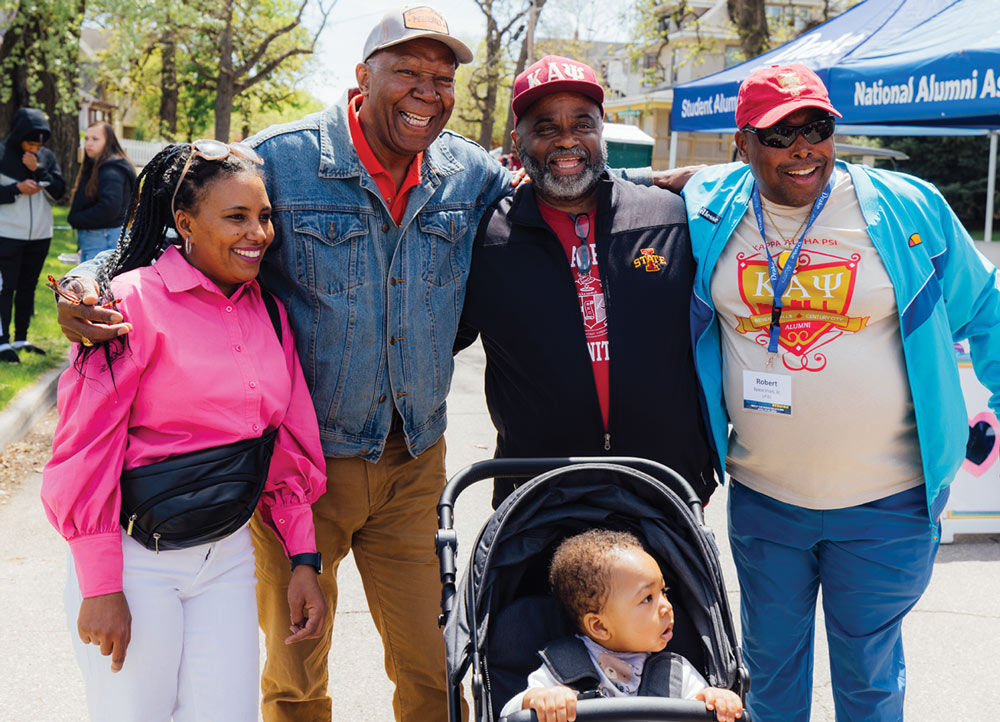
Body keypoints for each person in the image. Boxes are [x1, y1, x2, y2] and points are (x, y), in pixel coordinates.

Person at [683, 64, 1000, 722]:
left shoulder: (909, 208)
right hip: (766, 503)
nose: (804, 147)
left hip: (887, 507)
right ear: (741, 145)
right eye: (780, 134)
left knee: (869, 681)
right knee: (769, 677)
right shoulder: (707, 211)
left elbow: (986, 310)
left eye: (818, 127)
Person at [41, 141, 328, 721]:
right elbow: (85, 448)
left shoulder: (267, 311)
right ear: (185, 224)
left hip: (226, 554)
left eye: (264, 216)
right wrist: (100, 583)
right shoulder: (127, 305)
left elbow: (287, 443)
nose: (258, 233)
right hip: (134, 558)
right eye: (236, 217)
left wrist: (303, 557)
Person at [455, 55, 716, 508]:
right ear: (518, 139)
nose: (567, 141)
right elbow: (436, 341)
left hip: (663, 487)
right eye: (546, 128)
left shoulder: (670, 216)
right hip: (537, 493)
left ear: (601, 130)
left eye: (582, 124)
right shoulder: (487, 238)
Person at [501, 529, 742, 722]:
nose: (667, 606)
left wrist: (713, 699)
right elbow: (508, 713)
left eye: (664, 592)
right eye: (647, 598)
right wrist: (536, 700)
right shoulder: (562, 669)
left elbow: (701, 708)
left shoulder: (676, 674)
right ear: (599, 626)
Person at [0, 107, 66, 362]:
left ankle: (21, 338)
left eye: (40, 142)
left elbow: (60, 191)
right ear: (19, 136)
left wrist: (38, 168)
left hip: (39, 234)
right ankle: (2, 341)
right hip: (7, 233)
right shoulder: (3, 153)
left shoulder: (45, 156)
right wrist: (16, 188)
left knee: (27, 286)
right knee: (5, 288)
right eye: (30, 141)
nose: (35, 146)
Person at [68, 122, 137, 261]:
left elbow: (109, 208)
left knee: (97, 282)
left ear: (108, 141)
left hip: (104, 239)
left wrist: (76, 218)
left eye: (95, 139)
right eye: (86, 139)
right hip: (97, 237)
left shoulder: (112, 170)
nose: (89, 143)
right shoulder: (98, 165)